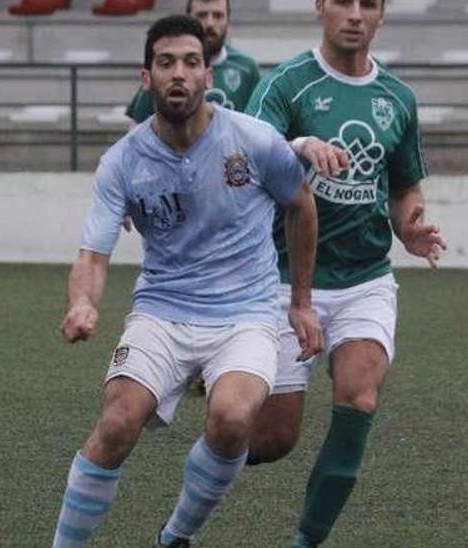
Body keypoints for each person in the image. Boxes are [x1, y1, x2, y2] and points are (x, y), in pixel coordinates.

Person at [50, 15, 336, 548]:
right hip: (163, 309)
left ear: (208, 75)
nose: (178, 74)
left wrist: (299, 302)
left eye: (190, 63)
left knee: (231, 418)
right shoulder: (123, 161)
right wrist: (83, 303)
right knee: (117, 423)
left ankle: (176, 535)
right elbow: (93, 253)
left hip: (246, 314)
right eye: (165, 63)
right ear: (146, 78)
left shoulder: (252, 140)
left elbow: (301, 204)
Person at [243, 1, 447, 546]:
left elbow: (404, 185)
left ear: (382, 16)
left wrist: (410, 229)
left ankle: (305, 541)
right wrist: (301, 145)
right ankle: (208, 464)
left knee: (359, 399)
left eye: (369, 4)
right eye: (343, 2)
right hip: (285, 280)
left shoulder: (398, 99)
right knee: (273, 437)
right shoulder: (288, 84)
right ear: (319, 9)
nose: (355, 14)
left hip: (365, 279)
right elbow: (242, 154)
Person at [125, 0, 259, 123]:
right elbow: (137, 127)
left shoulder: (246, 68)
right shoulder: (164, 69)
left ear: (228, 21)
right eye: (201, 15)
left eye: (218, 16)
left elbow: (256, 126)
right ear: (188, 19)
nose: (209, 23)